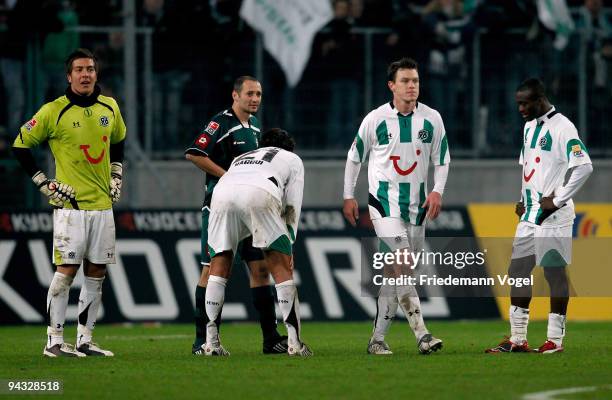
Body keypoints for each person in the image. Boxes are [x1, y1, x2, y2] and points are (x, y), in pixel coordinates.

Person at [11, 48, 126, 357]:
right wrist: (42, 181)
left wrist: (116, 174)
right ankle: (53, 341)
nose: (85, 74)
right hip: (71, 207)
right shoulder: (53, 111)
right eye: (79, 70)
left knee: (97, 272)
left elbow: (118, 141)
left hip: (103, 205)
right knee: (66, 272)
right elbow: (20, 144)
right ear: (69, 76)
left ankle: (85, 340)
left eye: (90, 69)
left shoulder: (110, 107)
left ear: (96, 74)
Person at [343, 57, 450, 355]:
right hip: (383, 205)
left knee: (396, 275)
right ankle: (423, 334)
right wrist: (348, 195)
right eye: (405, 81)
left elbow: (442, 159)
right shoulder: (375, 119)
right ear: (392, 85)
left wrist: (437, 192)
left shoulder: (432, 119)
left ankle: (377, 339)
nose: (411, 86)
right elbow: (355, 157)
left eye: (415, 81)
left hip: (417, 209)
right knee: (401, 264)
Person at [486, 78, 593, 354]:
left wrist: (557, 200)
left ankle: (555, 341)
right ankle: (517, 339)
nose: (520, 108)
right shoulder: (528, 127)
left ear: (540, 99)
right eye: (518, 103)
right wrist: (522, 198)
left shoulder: (563, 127)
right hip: (530, 214)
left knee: (553, 273)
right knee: (518, 271)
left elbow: (584, 167)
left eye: (525, 103)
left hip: (553, 217)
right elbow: (527, 167)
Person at [184, 76, 287, 355]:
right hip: (220, 207)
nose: (255, 99)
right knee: (213, 268)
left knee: (260, 269)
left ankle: (270, 338)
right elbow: (194, 153)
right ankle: (202, 340)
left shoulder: (255, 126)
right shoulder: (221, 123)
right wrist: (227, 175)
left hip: (249, 209)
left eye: (259, 94)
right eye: (250, 94)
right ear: (235, 95)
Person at [203, 128, 311, 356]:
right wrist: (288, 244)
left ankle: (211, 343)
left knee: (219, 265)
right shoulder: (292, 159)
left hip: (221, 194)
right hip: (260, 192)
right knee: (280, 266)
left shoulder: (242, 157)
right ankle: (294, 343)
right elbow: (292, 205)